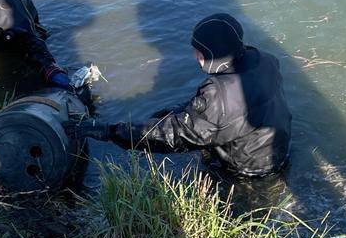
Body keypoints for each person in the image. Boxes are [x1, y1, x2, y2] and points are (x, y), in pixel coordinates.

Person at [85, 13, 292, 177]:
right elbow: (223, 114)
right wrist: (177, 112)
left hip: (246, 171)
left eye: (199, 51)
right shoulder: (266, 60)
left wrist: (111, 131)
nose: (195, 55)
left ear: (214, 53)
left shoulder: (216, 96)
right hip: (277, 153)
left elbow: (173, 137)